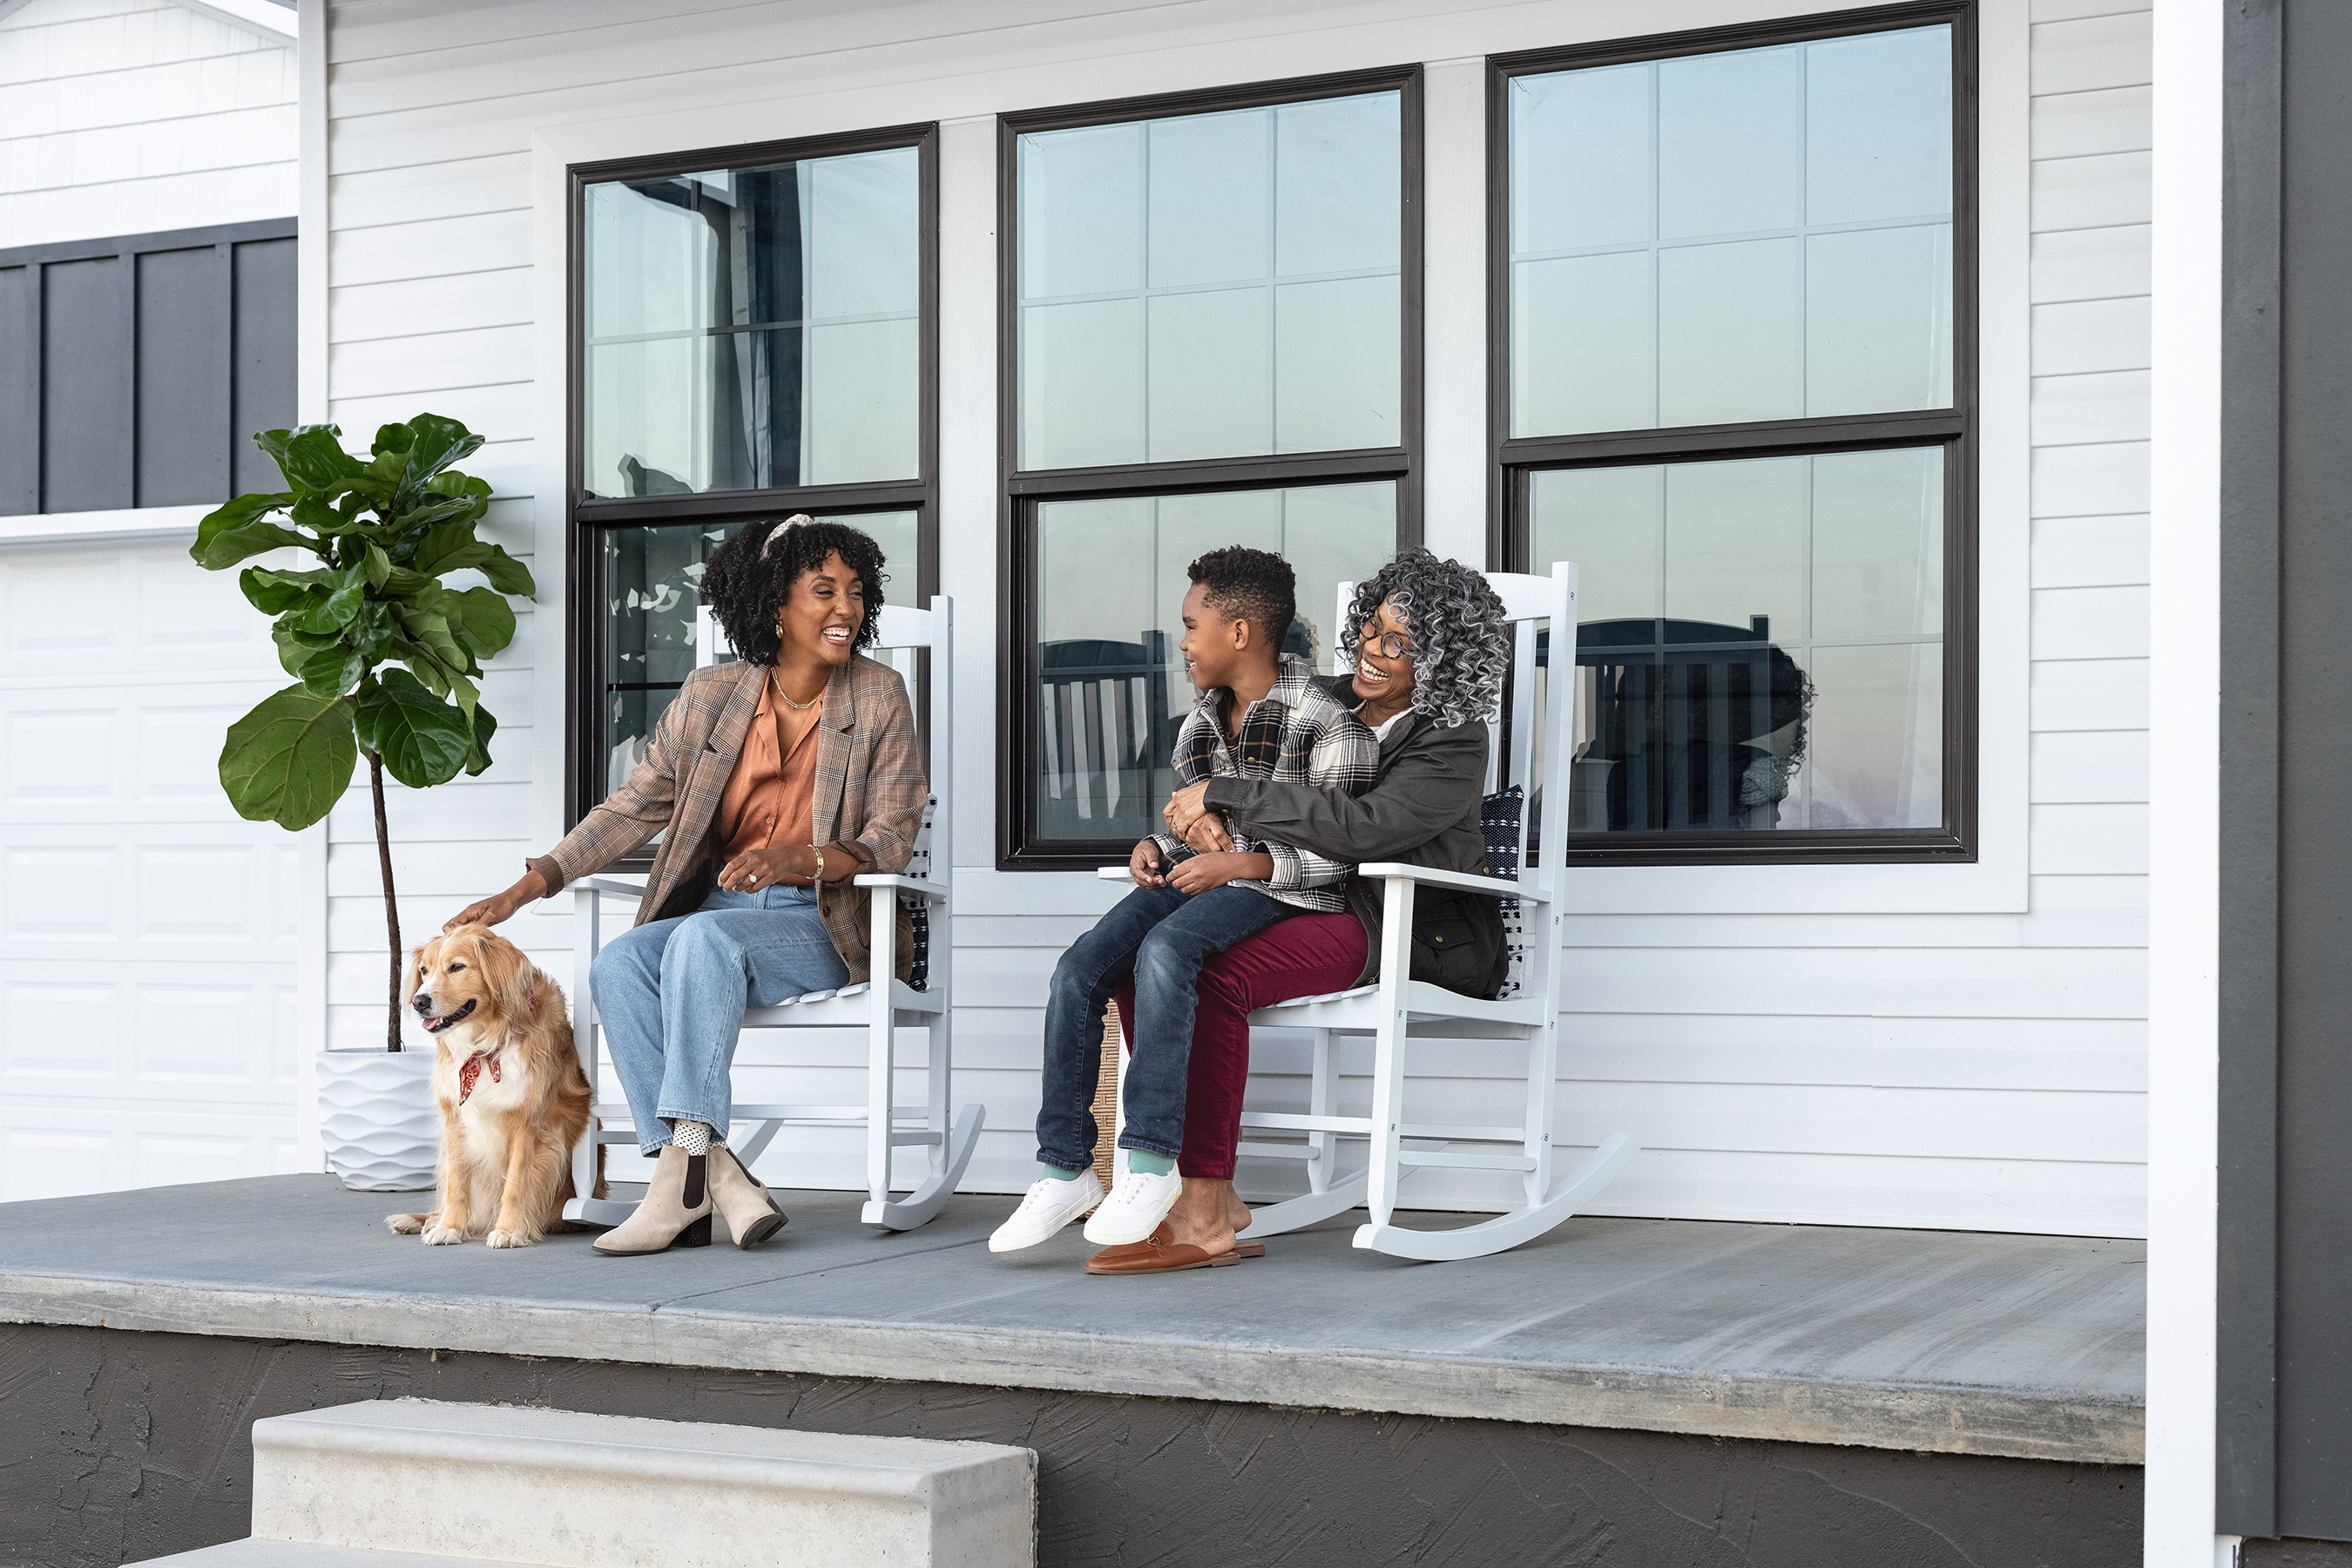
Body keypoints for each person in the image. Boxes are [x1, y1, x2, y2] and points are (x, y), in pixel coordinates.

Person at [446, 515, 925, 1258]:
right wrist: (528, 886)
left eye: (857, 592)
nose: (847, 609)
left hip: (825, 919)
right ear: (774, 603)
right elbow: (633, 806)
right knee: (619, 964)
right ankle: (711, 1175)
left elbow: (893, 835)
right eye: (824, 590)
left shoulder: (879, 694)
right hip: (723, 917)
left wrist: (799, 859)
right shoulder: (710, 696)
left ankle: (677, 1187)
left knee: (700, 937)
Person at [1085, 548, 1511, 1274]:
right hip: (1300, 896)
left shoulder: (1453, 740)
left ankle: (1203, 1207)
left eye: (1400, 642)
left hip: (1401, 925)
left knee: (1210, 975)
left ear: (1442, 662)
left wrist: (1228, 795)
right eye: (1372, 627)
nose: (1373, 650)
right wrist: (1182, 830)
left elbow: (1367, 829)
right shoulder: (1324, 700)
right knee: (1143, 958)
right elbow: (1229, 779)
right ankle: (1193, 1191)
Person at [989, 547, 1377, 1259]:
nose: (1183, 642)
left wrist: (1237, 861)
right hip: (1206, 879)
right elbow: (1195, 826)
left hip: (1289, 891)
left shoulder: (1330, 726)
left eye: (1192, 626)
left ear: (1240, 632)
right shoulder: (1200, 723)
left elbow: (1339, 858)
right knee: (1079, 968)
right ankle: (1065, 1168)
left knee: (1166, 949)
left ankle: (1149, 1162)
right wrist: (1156, 846)